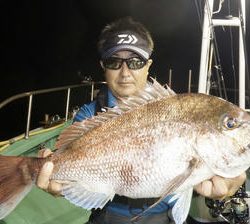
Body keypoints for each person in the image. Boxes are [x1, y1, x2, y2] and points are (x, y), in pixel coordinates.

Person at [37, 17, 246, 224]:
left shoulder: (174, 108)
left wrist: (231, 178)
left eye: (136, 62)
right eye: (114, 62)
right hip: (109, 215)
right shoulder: (88, 116)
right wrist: (60, 184)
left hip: (162, 214)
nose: (125, 73)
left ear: (148, 65)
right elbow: (69, 173)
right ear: (103, 66)